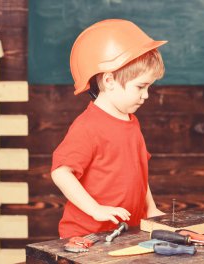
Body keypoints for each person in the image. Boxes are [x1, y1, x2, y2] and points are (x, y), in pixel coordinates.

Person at [51, 19, 168, 238]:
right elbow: (60, 172)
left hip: (124, 234)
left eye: (149, 87)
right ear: (109, 80)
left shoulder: (131, 121)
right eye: (141, 86)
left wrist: (150, 209)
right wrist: (96, 210)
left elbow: (139, 174)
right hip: (87, 237)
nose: (146, 95)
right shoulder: (88, 126)